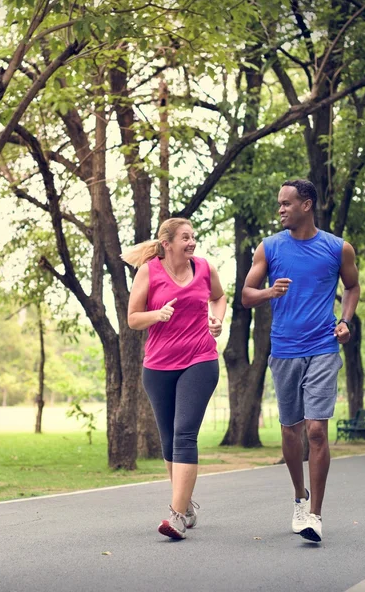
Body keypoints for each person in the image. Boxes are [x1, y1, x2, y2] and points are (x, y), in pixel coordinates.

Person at [242, 179, 360, 543]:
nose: (280, 209)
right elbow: (246, 295)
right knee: (290, 430)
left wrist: (345, 322)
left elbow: (351, 287)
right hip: (284, 350)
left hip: (324, 347)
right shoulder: (270, 247)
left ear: (306, 205)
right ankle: (299, 496)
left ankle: (315, 515)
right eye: (279, 204)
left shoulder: (338, 248)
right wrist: (269, 292)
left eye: (286, 203)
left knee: (316, 430)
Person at [122, 217, 226, 540]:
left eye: (193, 236)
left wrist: (217, 320)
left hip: (200, 359)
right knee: (169, 442)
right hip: (158, 367)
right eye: (185, 237)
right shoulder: (148, 272)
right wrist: (158, 314)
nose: (192, 242)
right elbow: (132, 318)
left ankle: (177, 515)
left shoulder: (205, 269)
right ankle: (187, 505)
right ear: (166, 244)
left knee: (184, 436)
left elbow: (219, 298)